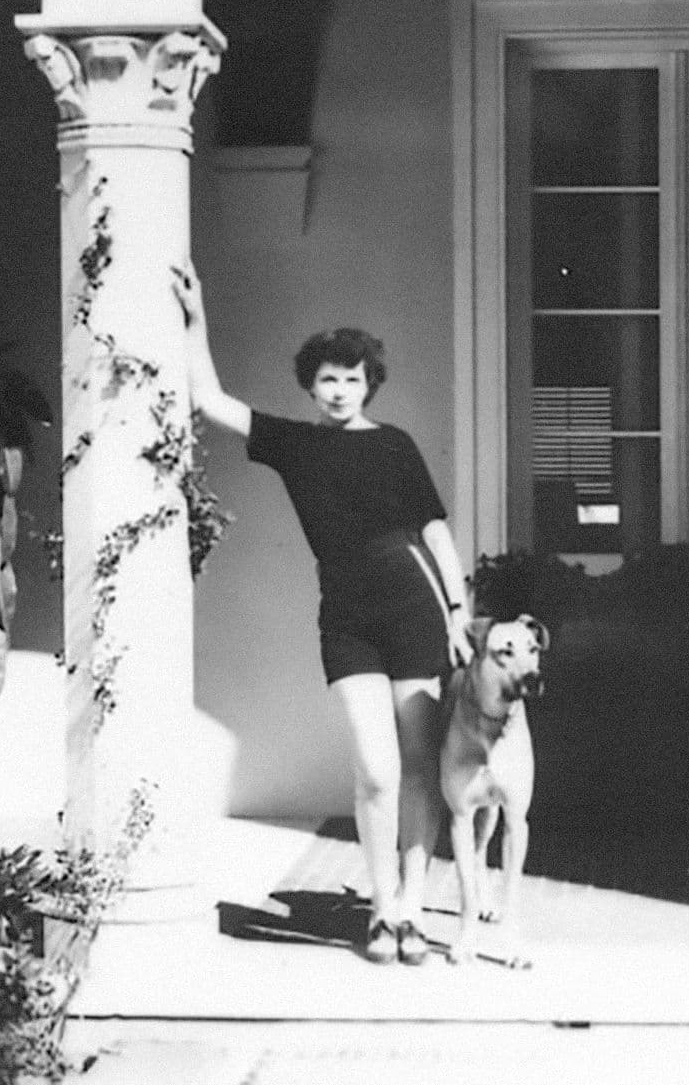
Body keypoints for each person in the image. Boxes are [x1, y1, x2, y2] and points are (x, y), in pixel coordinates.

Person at [177, 267, 474, 966]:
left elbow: (433, 531)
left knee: (419, 764)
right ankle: (378, 908)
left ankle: (408, 906)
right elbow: (208, 397)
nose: (340, 389)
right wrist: (195, 318)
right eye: (329, 379)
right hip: (346, 612)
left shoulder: (395, 444)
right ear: (311, 385)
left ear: (370, 382)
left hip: (415, 603)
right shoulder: (295, 443)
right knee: (375, 768)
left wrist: (460, 611)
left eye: (353, 377)